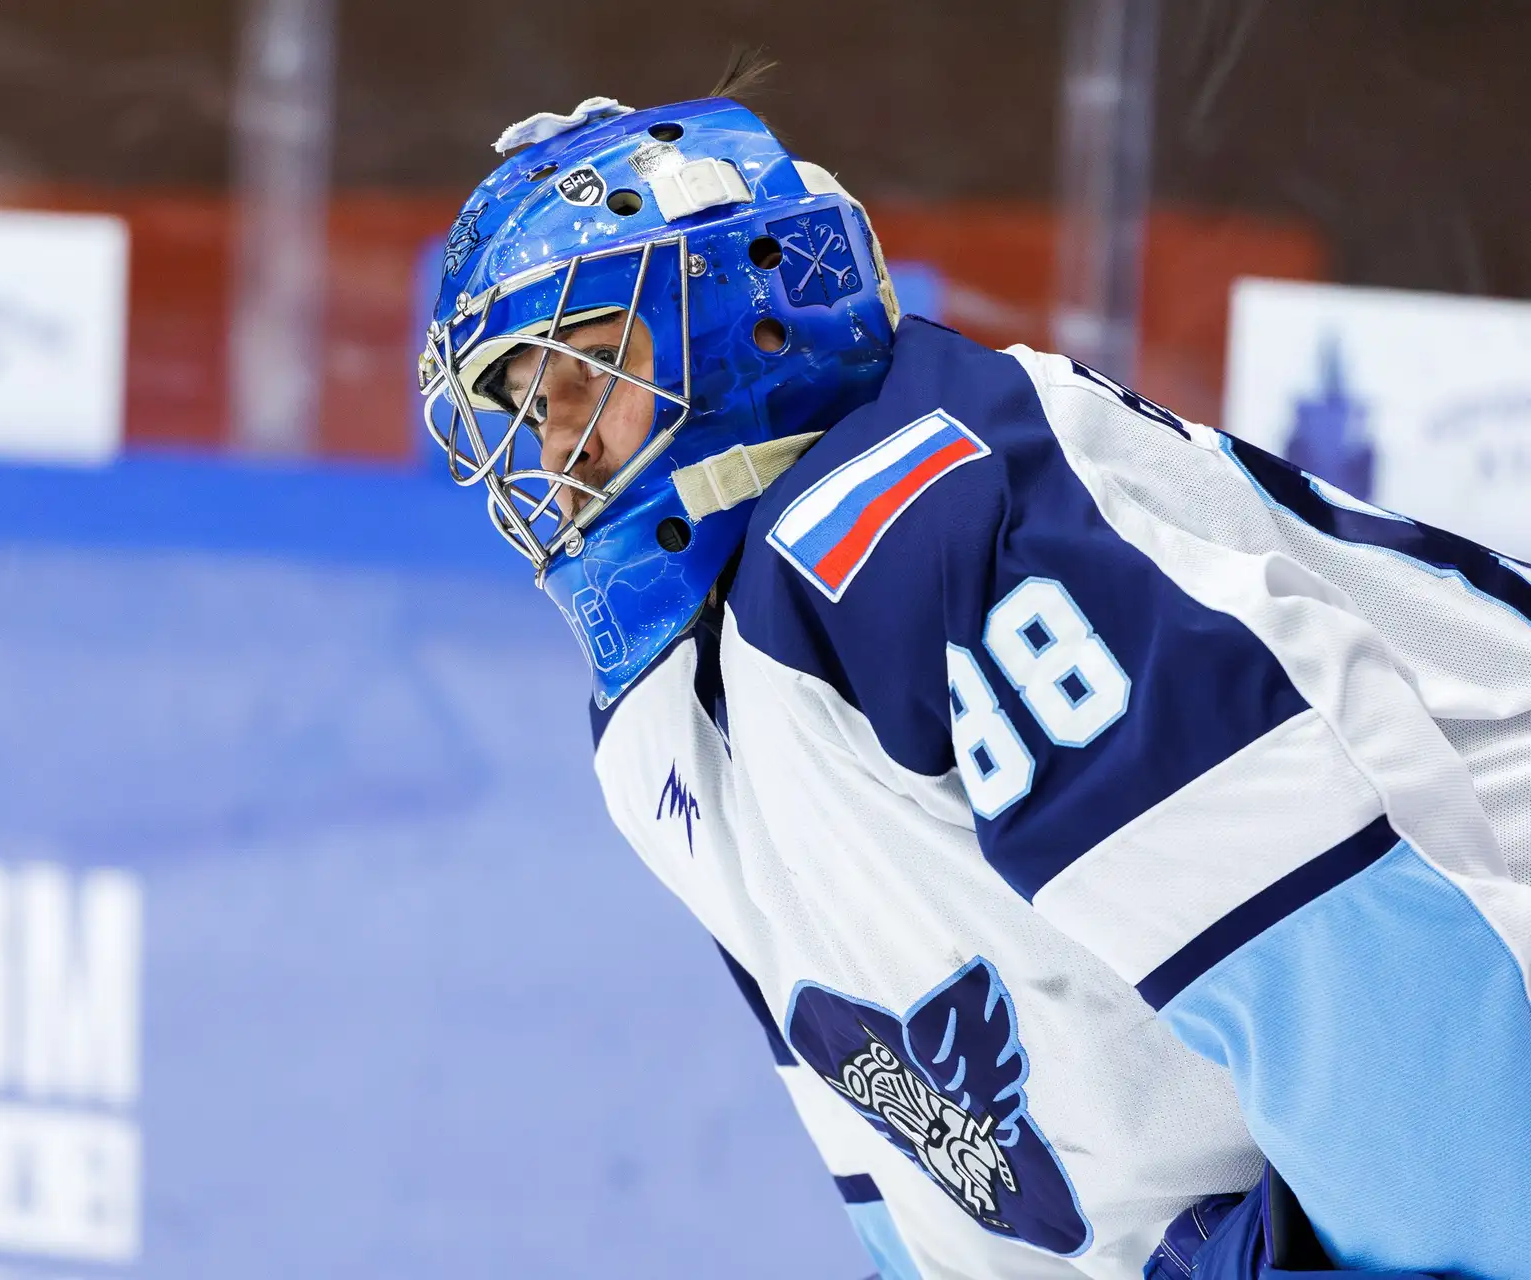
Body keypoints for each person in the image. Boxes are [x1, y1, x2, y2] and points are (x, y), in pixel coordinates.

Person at [419, 55, 1531, 1280]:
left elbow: (1377, 993)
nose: (557, 449)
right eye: (527, 402)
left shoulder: (920, 523)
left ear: (750, 314)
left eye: (590, 368)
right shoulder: (661, 730)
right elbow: (930, 1159)